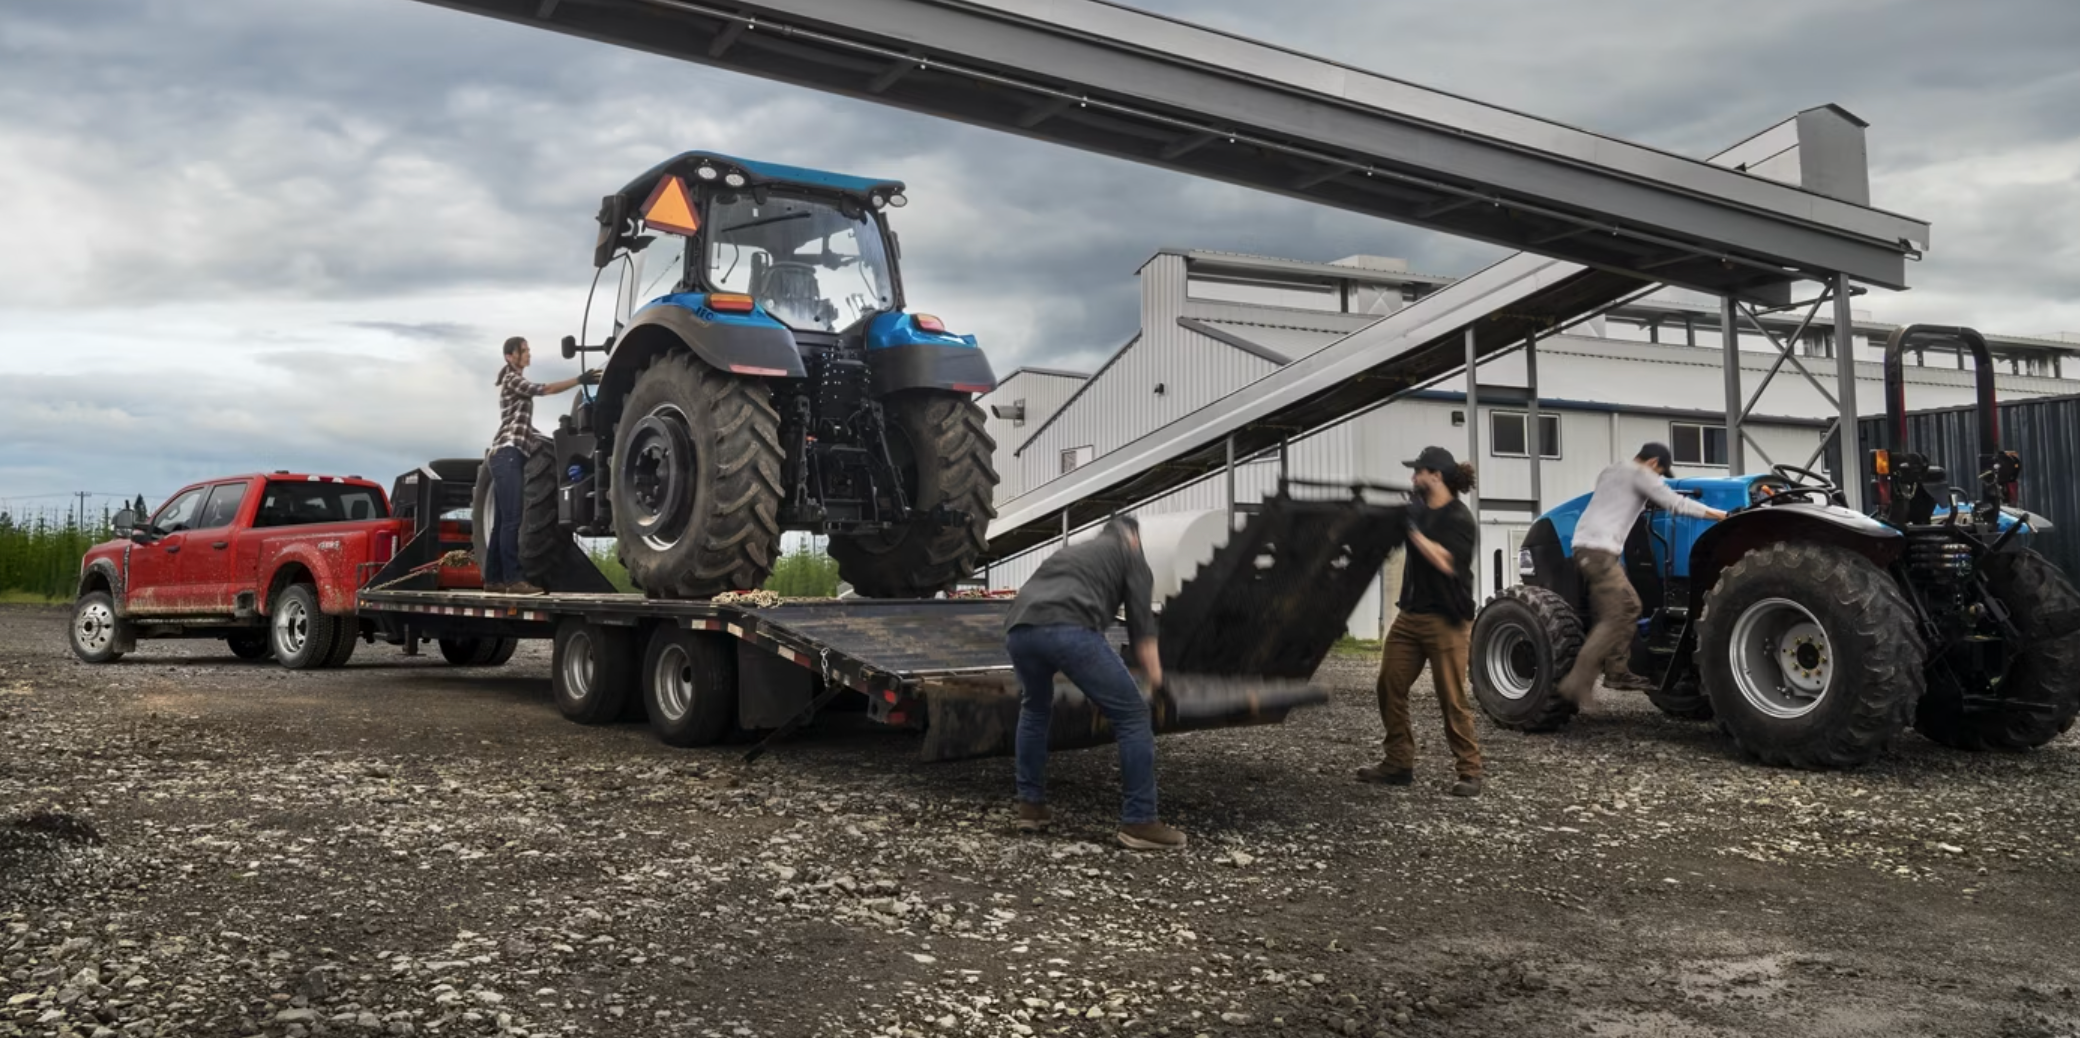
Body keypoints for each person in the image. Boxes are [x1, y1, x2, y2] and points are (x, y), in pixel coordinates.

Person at [1003, 515, 1185, 851]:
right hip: (1069, 628)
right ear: (1133, 538)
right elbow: (1142, 630)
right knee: (1132, 716)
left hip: (1019, 629)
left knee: (1035, 708)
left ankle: (1031, 806)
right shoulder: (1131, 557)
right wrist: (1159, 683)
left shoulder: (1070, 552)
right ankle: (1140, 821)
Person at [1556, 443, 1727, 706]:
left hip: (1591, 548)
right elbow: (1675, 503)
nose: (1659, 477)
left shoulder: (1612, 471)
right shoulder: (1640, 474)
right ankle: (1580, 681)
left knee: (1618, 610)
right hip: (1599, 551)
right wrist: (1719, 515)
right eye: (1660, 472)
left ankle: (1616, 670)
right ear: (1652, 462)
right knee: (1624, 610)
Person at [1357, 446, 1485, 797]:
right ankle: (1398, 763)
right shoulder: (1416, 508)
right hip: (1410, 616)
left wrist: (1411, 529)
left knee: (1452, 698)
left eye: (1418, 472)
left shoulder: (1459, 519)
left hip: (1447, 620)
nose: (1413, 477)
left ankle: (1469, 771)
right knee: (1389, 686)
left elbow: (1444, 561)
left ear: (1437, 476)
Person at [487, 336, 594, 594]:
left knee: (503, 521)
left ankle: (492, 580)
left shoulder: (513, 381)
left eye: (528, 350)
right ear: (510, 356)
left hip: (510, 454)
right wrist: (579, 380)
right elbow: (544, 390)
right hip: (507, 454)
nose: (528, 354)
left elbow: (520, 423)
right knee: (513, 519)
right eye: (524, 351)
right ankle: (513, 580)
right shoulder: (514, 379)